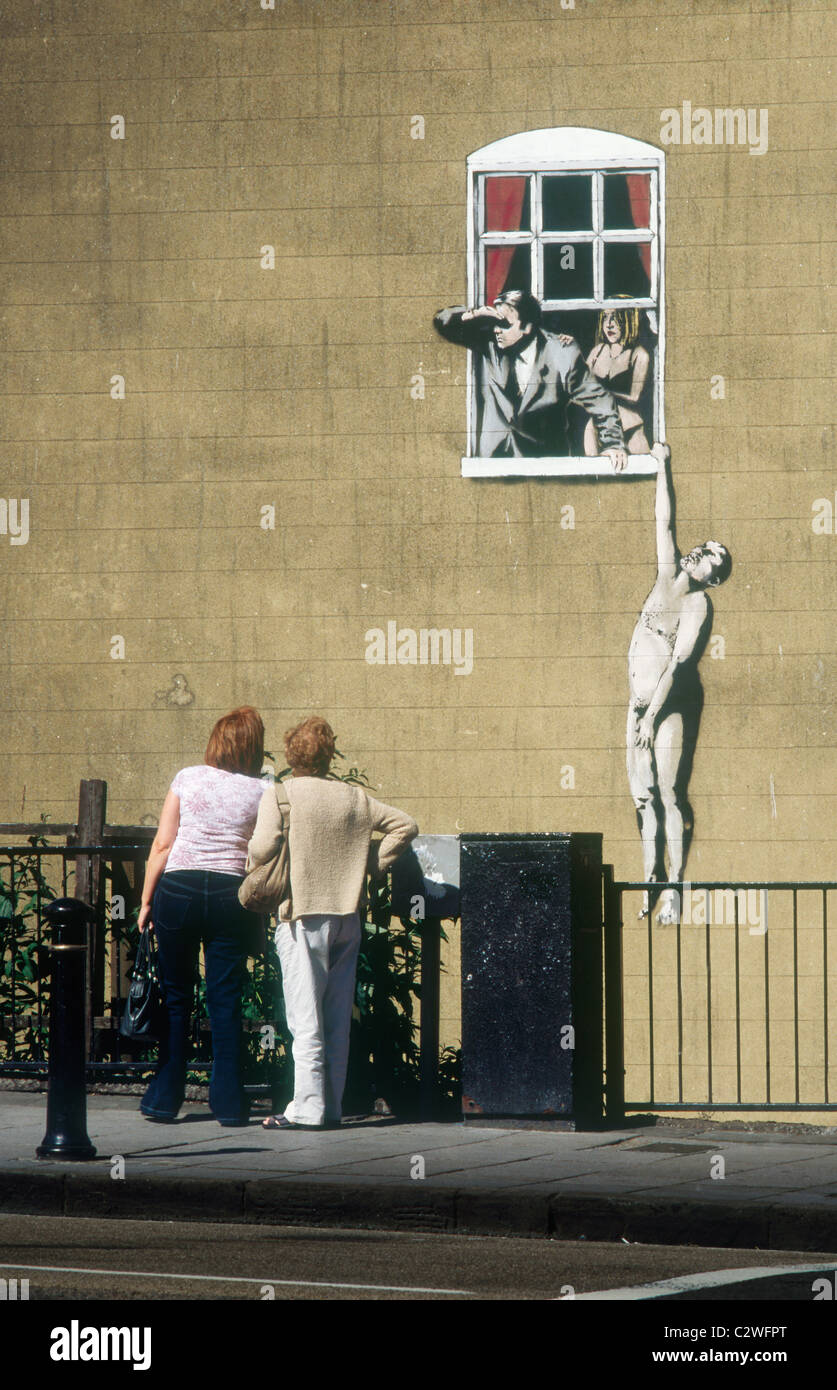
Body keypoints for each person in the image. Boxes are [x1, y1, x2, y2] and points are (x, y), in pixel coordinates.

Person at [249, 716, 418, 1131]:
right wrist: (373, 866)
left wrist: (255, 865)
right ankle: (333, 1106)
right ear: (329, 755)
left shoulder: (281, 795)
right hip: (347, 916)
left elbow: (261, 847)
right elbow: (405, 825)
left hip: (301, 915)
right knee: (338, 1018)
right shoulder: (355, 798)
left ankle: (306, 1109)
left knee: (305, 1018)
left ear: (291, 755)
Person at [137, 707, 267, 1125]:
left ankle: (163, 1099)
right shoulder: (262, 789)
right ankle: (230, 1105)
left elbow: (162, 844)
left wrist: (145, 902)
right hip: (231, 894)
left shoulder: (187, 777)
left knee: (177, 997)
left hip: (178, 891)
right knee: (224, 999)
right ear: (252, 746)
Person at [627, 445, 732, 924]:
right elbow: (663, 521)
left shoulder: (699, 607)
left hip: (667, 709)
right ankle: (649, 878)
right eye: (703, 546)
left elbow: (678, 666)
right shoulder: (667, 574)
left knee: (669, 792)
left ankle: (674, 887)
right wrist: (662, 464)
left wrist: (651, 717)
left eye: (711, 555)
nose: (700, 552)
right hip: (638, 705)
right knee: (643, 795)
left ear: (714, 578)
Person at [434, 289, 628, 466]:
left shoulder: (561, 352)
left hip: (544, 465)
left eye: (504, 324)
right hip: (493, 463)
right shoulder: (490, 343)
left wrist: (612, 444)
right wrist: (476, 313)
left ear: (527, 326)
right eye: (495, 324)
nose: (496, 330)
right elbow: (442, 322)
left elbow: (600, 400)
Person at [584, 304, 651, 455]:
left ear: (628, 320)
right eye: (605, 318)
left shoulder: (639, 354)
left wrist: (602, 392)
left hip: (630, 426)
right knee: (595, 472)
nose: (609, 324)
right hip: (598, 426)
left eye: (615, 317)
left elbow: (635, 397)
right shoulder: (597, 352)